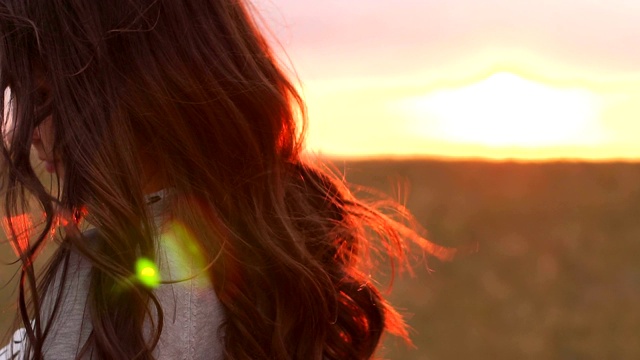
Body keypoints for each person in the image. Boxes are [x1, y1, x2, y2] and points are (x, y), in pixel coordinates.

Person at [0, 1, 453, 359]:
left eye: (43, 95)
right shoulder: (265, 247)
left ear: (138, 89)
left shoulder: (116, 281)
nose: (31, 131)